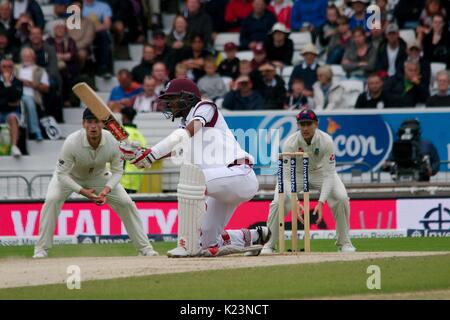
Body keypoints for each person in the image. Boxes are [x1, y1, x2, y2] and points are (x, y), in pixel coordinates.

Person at [119, 78, 271, 257]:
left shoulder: (205, 107)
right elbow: (178, 148)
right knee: (208, 242)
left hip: (239, 174)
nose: (170, 104)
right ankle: (255, 235)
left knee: (191, 180)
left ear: (187, 97)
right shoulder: (185, 124)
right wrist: (145, 156)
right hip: (220, 185)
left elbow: (186, 133)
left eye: (173, 99)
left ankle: (185, 244)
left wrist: (152, 153)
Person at [33, 108, 158, 258]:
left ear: (103, 124)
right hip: (70, 176)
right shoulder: (72, 142)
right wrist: (83, 192)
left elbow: (118, 171)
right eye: (89, 122)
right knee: (52, 200)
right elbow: (61, 174)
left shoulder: (113, 141)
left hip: (99, 176)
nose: (93, 126)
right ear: (83, 124)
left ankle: (145, 248)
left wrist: (106, 190)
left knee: (126, 203)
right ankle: (41, 249)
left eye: (96, 122)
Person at [261, 109, 356, 254]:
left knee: (341, 197)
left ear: (316, 124)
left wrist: (321, 201)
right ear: (298, 125)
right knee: (277, 201)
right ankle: (268, 244)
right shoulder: (290, 143)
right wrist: (295, 201)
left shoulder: (326, 141)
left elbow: (330, 175)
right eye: (302, 124)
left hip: (321, 173)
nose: (305, 128)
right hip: (297, 174)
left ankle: (344, 243)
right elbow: (286, 177)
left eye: (308, 124)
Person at [15, 47, 48, 141]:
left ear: (33, 57)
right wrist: (21, 82)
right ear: (21, 57)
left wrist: (34, 85)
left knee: (28, 101)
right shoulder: (15, 68)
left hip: (32, 96)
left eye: (29, 56)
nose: (26, 58)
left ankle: (34, 131)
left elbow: (46, 88)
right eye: (24, 56)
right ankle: (33, 132)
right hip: (16, 95)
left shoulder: (40, 70)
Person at [46, 20, 78, 108]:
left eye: (62, 28)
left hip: (68, 66)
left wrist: (60, 56)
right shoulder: (49, 41)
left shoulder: (70, 40)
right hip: (52, 66)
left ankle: (66, 99)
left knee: (65, 72)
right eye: (58, 28)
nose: (60, 30)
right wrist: (62, 56)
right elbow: (47, 54)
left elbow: (72, 54)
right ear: (53, 30)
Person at [82, 0, 113, 78]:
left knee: (104, 35)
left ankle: (104, 67)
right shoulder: (77, 6)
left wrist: (92, 30)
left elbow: (107, 24)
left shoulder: (104, 6)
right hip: (82, 33)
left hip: (97, 32)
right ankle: (84, 68)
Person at [119, 107, 147, 194]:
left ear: (123, 116)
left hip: (121, 179)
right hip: (136, 178)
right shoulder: (140, 135)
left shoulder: (121, 133)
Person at [0, 57, 22, 156]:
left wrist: (8, 83)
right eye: (4, 66)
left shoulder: (18, 82)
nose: (7, 69)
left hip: (11, 112)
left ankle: (14, 147)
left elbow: (15, 98)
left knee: (13, 118)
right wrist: (7, 101)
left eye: (9, 66)